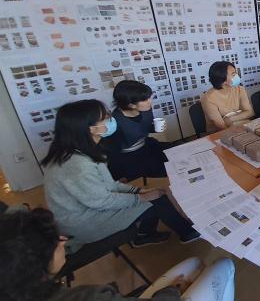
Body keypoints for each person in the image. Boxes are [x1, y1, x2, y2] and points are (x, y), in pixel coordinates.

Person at [42, 99, 199, 253]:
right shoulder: (77, 165)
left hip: (90, 208)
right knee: (157, 200)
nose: (111, 120)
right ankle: (188, 233)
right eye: (106, 118)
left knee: (154, 193)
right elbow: (102, 201)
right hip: (84, 223)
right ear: (92, 129)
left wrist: (137, 191)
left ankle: (144, 234)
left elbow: (108, 184)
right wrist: (141, 197)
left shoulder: (81, 151)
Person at [0, 208, 236, 301]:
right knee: (224, 264)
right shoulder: (84, 297)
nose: (62, 240)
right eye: (54, 240)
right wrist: (172, 291)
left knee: (195, 262)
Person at [100, 81, 171, 182]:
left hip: (146, 145)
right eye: (145, 99)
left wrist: (155, 128)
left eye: (149, 97)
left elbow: (144, 127)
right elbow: (111, 150)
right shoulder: (114, 122)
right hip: (127, 156)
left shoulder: (146, 109)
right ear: (131, 105)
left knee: (175, 153)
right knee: (155, 174)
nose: (150, 101)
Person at [200, 61, 254, 132]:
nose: (237, 76)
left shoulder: (239, 89)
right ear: (222, 80)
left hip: (243, 126)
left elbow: (249, 112)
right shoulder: (208, 98)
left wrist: (229, 119)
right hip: (219, 134)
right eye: (233, 74)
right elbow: (222, 126)